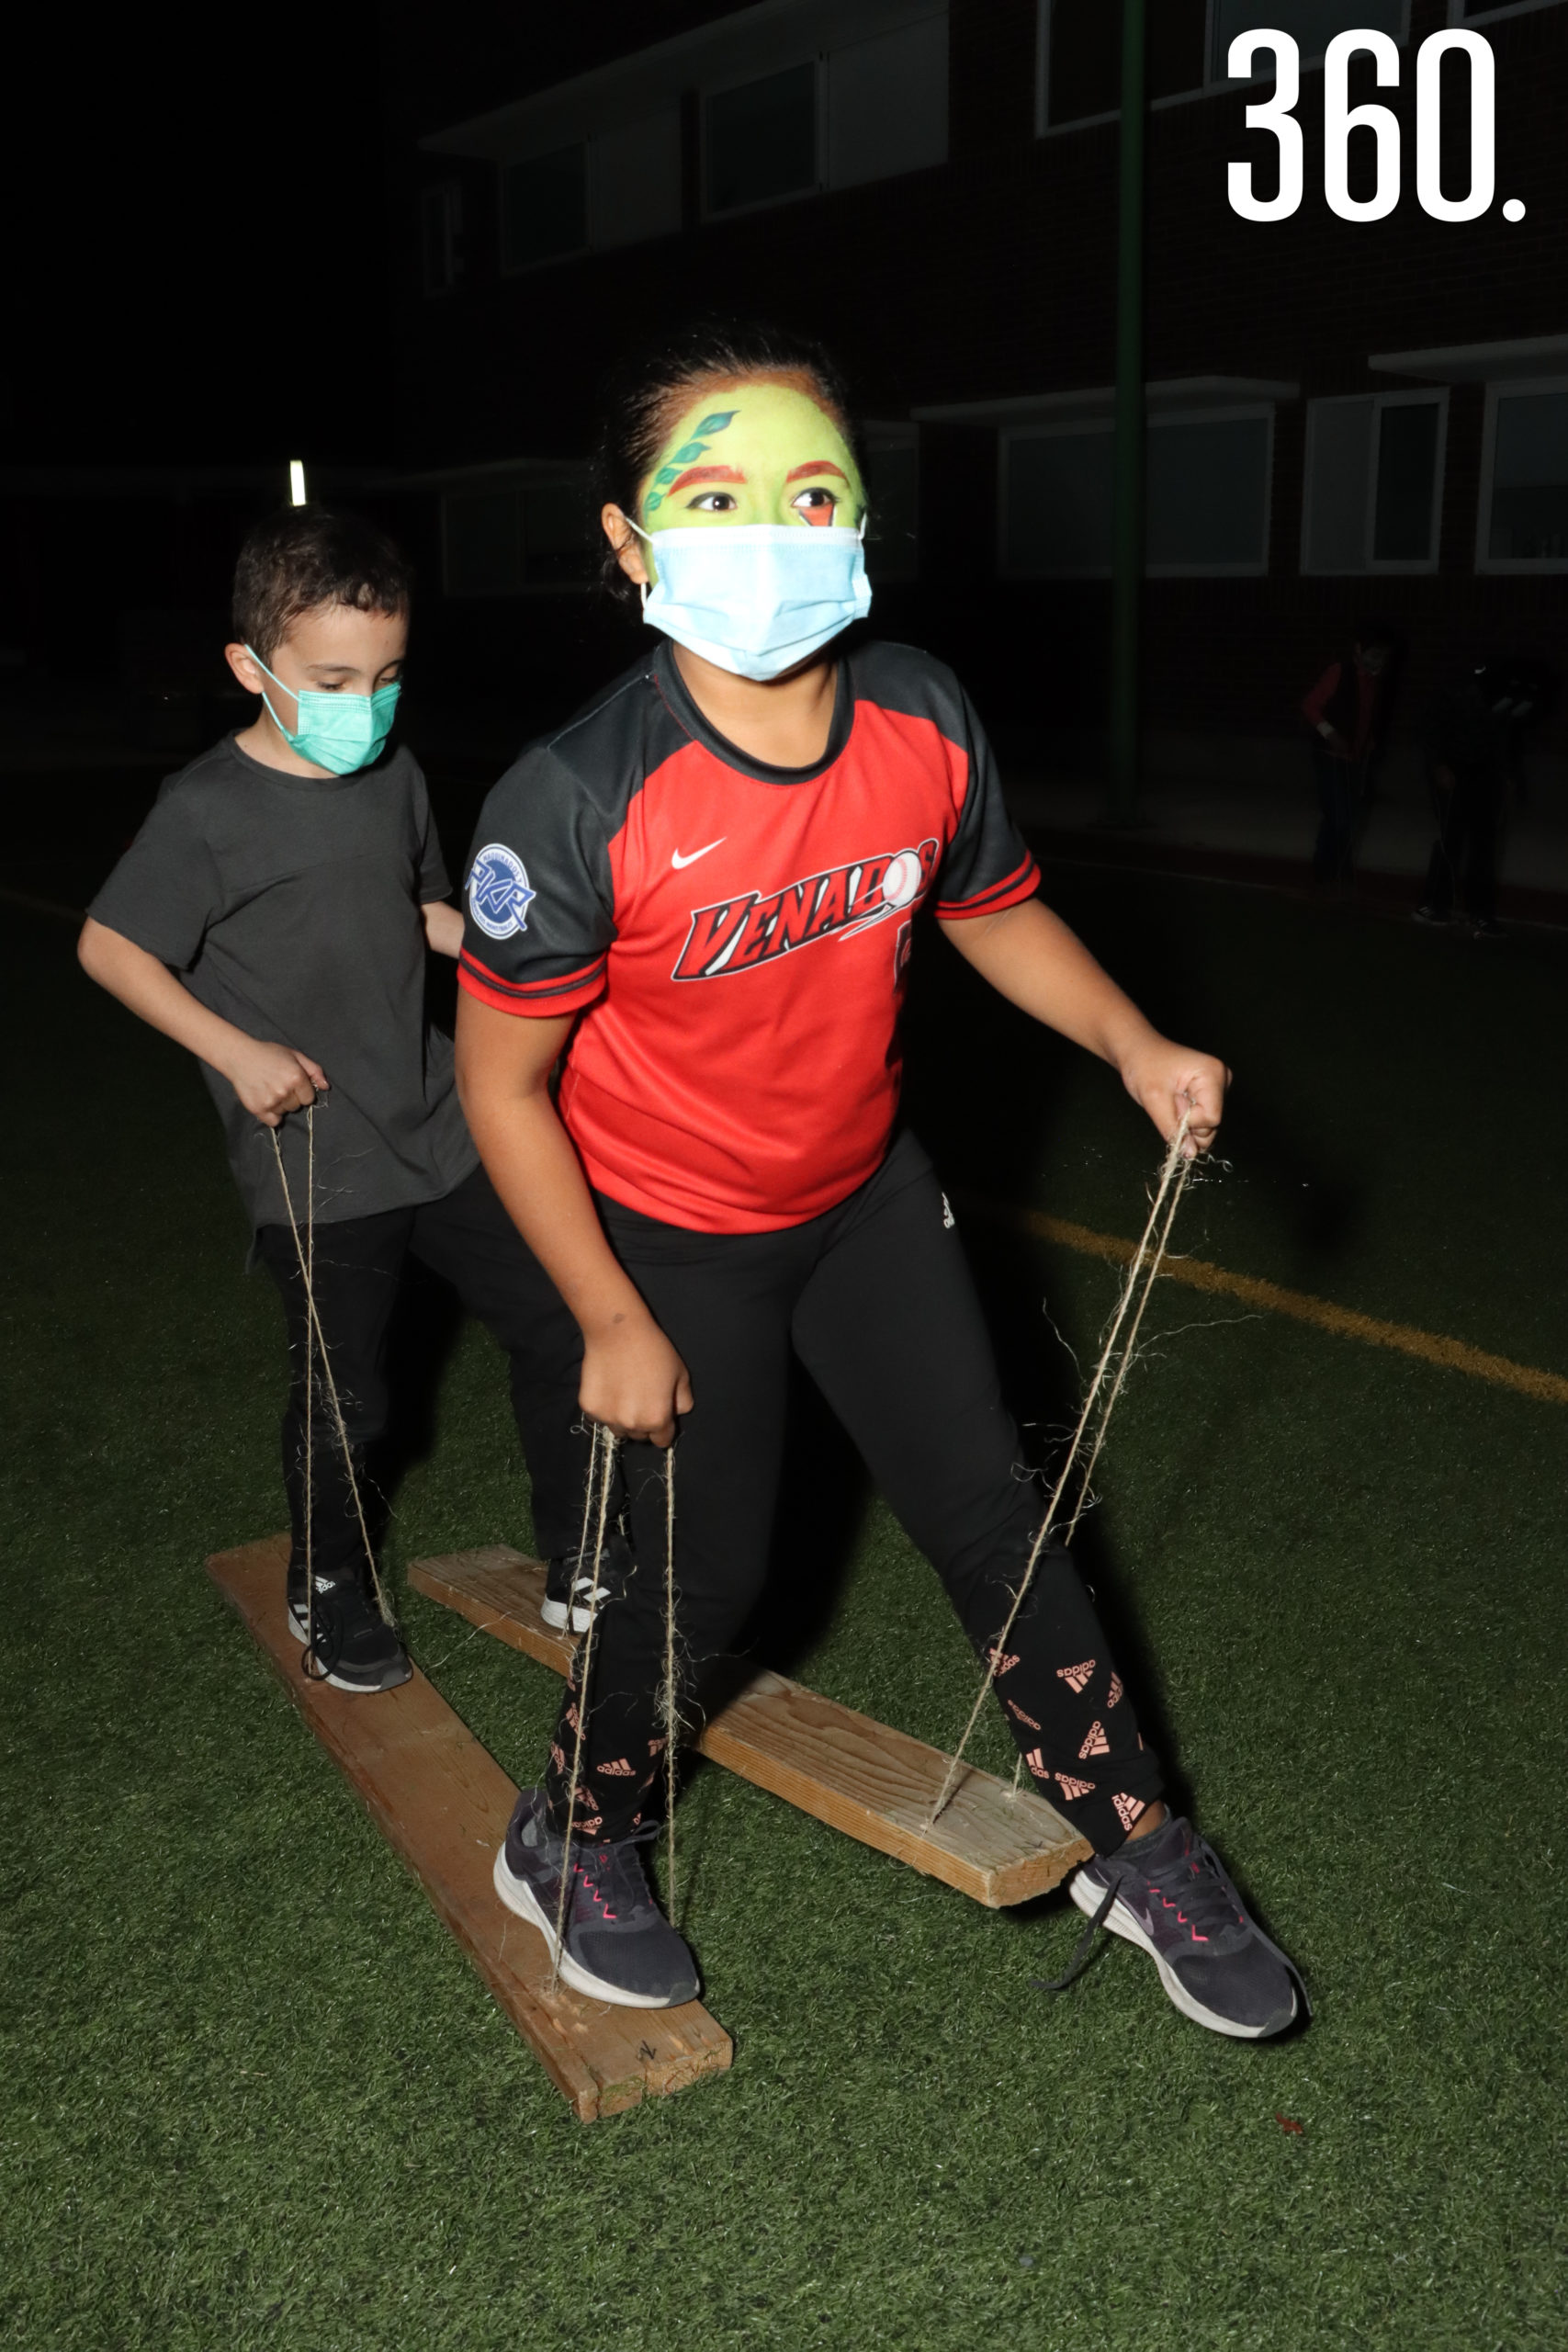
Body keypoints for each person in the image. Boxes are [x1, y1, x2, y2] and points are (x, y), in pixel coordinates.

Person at [455, 322, 1304, 2039]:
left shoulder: (918, 712)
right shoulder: (571, 798)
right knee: (713, 1578)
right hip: (672, 1236)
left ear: (861, 522)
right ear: (627, 544)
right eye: (713, 494)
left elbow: (989, 907)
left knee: (998, 1512)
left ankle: (1135, 1844)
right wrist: (609, 1313)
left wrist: (1133, 1044)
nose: (770, 528)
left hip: (861, 1200)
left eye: (811, 489)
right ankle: (575, 1833)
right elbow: (504, 1083)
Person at [79, 506, 595, 1693]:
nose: (363, 702)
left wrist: (511, 959)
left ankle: (580, 1556)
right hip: (315, 1151)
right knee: (347, 1389)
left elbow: (417, 909)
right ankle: (327, 1585)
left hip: (437, 1118)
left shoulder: (394, 773)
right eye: (330, 678)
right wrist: (235, 1051)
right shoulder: (204, 810)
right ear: (248, 669)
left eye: (388, 675)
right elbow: (111, 946)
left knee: (558, 1319)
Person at [1414, 657, 1555, 936]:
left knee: (1485, 843)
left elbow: (1507, 738)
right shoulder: (1459, 693)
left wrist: (1509, 779)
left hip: (1486, 773)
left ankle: (1481, 912)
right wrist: (1439, 765)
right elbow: (1430, 730)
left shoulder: (1516, 701)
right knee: (1451, 836)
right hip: (1453, 768)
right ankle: (1433, 904)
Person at [1300, 627, 1394, 888]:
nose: (1379, 661)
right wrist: (1331, 734)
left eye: (1383, 656)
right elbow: (1310, 705)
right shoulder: (1339, 672)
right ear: (1358, 649)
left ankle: (1330, 870)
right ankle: (1332, 872)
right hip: (1330, 756)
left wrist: (1369, 740)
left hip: (1354, 760)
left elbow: (1365, 715)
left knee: (1344, 819)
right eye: (1375, 654)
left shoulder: (1374, 682)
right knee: (1339, 817)